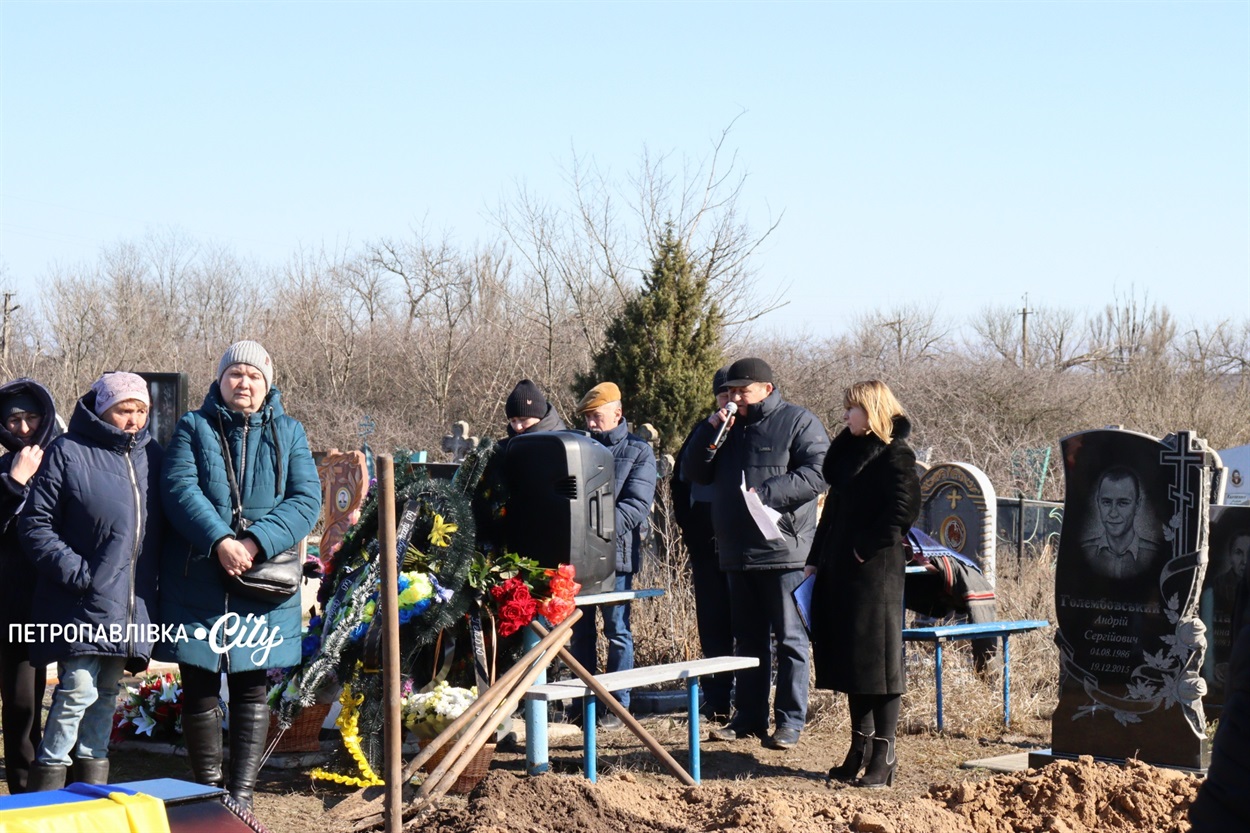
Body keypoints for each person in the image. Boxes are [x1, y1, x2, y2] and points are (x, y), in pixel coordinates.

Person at [157, 341, 321, 810]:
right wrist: (220, 541)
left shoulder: (289, 432)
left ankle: (241, 795)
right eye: (235, 374)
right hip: (198, 579)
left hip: (263, 580)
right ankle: (208, 793)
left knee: (252, 687)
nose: (243, 383)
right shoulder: (193, 426)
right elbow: (179, 488)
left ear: (267, 384)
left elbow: (306, 499)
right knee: (199, 685)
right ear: (220, 379)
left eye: (253, 376)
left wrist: (253, 542)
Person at [20, 372, 162, 791]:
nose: (133, 419)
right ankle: (46, 791)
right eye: (124, 410)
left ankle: (93, 788)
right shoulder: (68, 450)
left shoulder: (153, 455)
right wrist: (80, 574)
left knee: (106, 694)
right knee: (76, 690)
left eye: (141, 410)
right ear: (102, 410)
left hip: (130, 603)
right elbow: (36, 524)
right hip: (78, 601)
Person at [681, 357, 829, 750]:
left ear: (766, 388)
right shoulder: (724, 426)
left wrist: (766, 494)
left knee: (790, 639)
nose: (735, 398)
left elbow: (819, 473)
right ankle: (748, 717)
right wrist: (710, 430)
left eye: (742, 390)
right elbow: (695, 472)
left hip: (784, 550)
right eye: (729, 391)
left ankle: (790, 722)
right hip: (736, 550)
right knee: (747, 641)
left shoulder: (798, 421)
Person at [807, 380, 920, 788]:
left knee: (880, 666)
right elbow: (831, 514)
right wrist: (814, 560)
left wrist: (863, 548)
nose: (844, 416)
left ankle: (884, 754)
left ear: (871, 412)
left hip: (876, 575)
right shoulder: (850, 456)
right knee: (855, 664)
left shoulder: (895, 454)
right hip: (841, 573)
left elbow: (905, 509)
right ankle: (859, 749)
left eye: (851, 409)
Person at [569, 381, 656, 730]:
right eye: (587, 417)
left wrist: (595, 533)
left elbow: (635, 505)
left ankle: (618, 705)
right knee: (580, 632)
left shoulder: (638, 451)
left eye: (597, 416)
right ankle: (582, 704)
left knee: (617, 630)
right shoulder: (579, 448)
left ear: (618, 413)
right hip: (578, 558)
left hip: (615, 557)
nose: (591, 423)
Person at [0, 379, 58, 793]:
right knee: (21, 702)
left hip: (65, 596)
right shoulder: (3, 469)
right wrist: (14, 481)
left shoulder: (67, 458)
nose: (23, 428)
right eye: (13, 420)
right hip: (15, 603)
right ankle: (22, 788)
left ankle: (67, 783)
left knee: (77, 694)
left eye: (31, 417)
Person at [671, 365, 735, 719]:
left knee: (748, 628)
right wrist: (690, 529)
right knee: (712, 625)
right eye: (723, 396)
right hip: (706, 545)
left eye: (734, 395)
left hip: (744, 546)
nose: (729, 402)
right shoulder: (703, 431)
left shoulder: (753, 432)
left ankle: (748, 700)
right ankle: (717, 699)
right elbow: (679, 482)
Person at [1081, 466, 1165, 582]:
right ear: (1098, 502)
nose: (1113, 513)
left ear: (1137, 505)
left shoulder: (1154, 555)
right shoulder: (1084, 553)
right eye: (1106, 502)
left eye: (1123, 503)